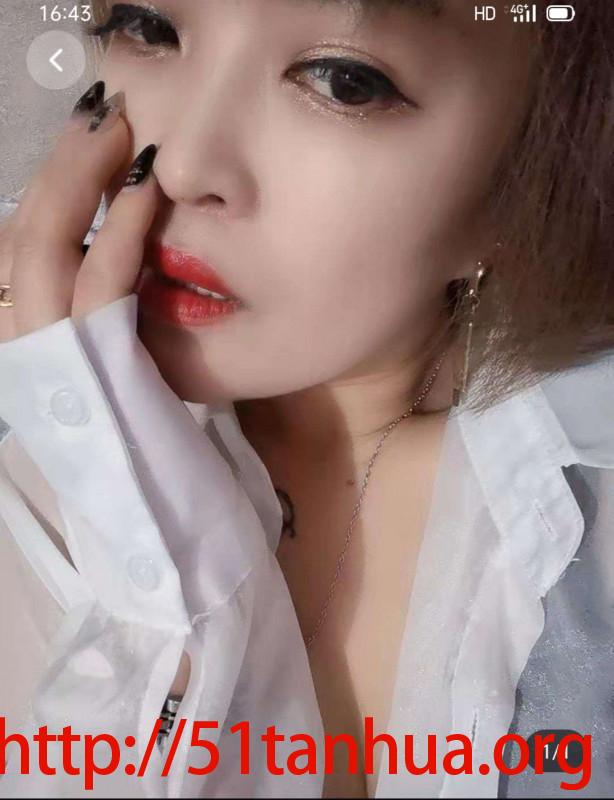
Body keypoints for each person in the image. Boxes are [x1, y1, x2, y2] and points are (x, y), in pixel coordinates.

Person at [0, 0, 612, 796]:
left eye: (344, 81)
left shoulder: (571, 531)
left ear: (533, 168)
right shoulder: (28, 470)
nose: (182, 165)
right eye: (148, 27)